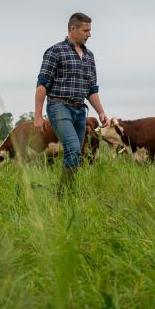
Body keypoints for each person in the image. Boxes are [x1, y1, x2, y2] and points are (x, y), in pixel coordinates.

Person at [34, 12, 109, 196]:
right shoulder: (55, 51)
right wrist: (37, 116)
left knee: (77, 153)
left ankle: (68, 192)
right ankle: (63, 195)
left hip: (79, 110)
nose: (89, 34)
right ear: (72, 29)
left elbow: (92, 89)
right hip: (59, 106)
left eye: (90, 30)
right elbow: (42, 84)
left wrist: (101, 112)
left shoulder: (90, 56)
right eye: (86, 30)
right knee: (73, 148)